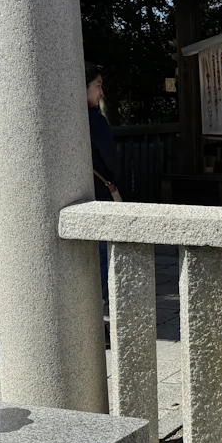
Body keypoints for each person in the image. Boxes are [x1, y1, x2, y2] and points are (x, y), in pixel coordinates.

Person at [86, 63, 119, 299]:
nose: (101, 92)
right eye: (98, 86)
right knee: (103, 256)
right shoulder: (94, 121)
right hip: (98, 192)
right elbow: (110, 159)